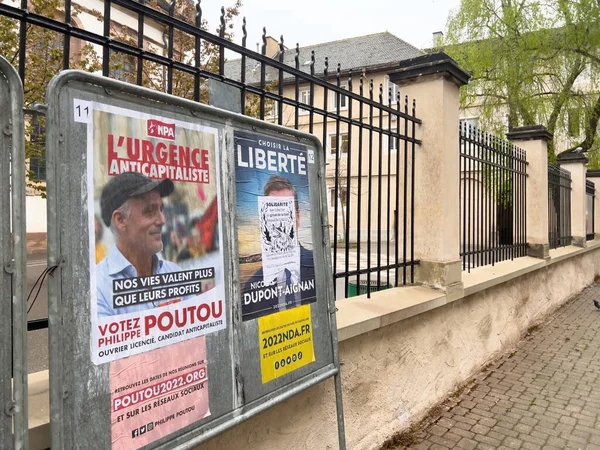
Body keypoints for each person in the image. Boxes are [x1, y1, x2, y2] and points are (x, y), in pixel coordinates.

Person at [96, 172, 185, 317]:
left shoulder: (174, 272)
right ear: (120, 220)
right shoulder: (99, 287)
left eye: (161, 209)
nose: (162, 220)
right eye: (150, 211)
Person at [243, 175, 316, 319]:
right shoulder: (252, 286)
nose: (281, 224)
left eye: (285, 212)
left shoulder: (317, 266)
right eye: (274, 214)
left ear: (298, 217)